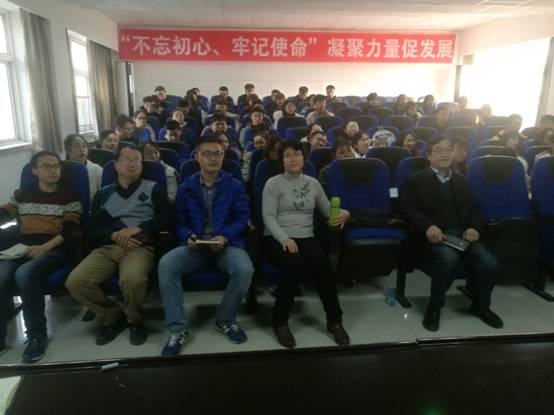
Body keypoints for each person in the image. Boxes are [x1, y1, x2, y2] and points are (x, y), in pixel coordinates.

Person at [65, 145, 173, 346]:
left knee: (133, 280)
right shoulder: (104, 193)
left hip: (138, 247)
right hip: (108, 247)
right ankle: (113, 315)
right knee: (76, 282)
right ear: (116, 165)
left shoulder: (152, 189)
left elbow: (168, 217)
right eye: (126, 159)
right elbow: (93, 225)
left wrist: (139, 228)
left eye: (136, 160)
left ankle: (134, 320)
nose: (132, 164)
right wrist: (113, 235)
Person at [157, 136, 253, 355]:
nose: (213, 158)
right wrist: (188, 236)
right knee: (166, 264)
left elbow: (241, 218)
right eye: (207, 154)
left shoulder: (234, 185)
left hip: (226, 245)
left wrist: (225, 236)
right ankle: (178, 329)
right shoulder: (186, 188)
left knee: (245, 269)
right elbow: (179, 222)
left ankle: (225, 319)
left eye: (218, 153)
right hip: (196, 247)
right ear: (197, 157)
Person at [400, 135, 503, 332]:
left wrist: (473, 227)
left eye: (448, 149)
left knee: (490, 263)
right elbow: (406, 209)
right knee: (449, 260)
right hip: (433, 236)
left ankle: (481, 306)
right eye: (438, 150)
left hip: (462, 234)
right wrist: (428, 226)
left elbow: (475, 207)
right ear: (429, 156)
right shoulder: (416, 180)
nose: (445, 154)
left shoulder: (460, 180)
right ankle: (434, 308)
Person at [262, 139, 351, 348]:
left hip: (305, 236)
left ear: (303, 158)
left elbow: (328, 210)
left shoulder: (313, 183)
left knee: (323, 265)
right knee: (293, 264)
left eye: (297, 154)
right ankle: (280, 321)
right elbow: (268, 216)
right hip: (276, 236)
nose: (293, 158)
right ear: (282, 161)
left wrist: (346, 213)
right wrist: (284, 238)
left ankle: (335, 321)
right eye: (287, 155)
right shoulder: (273, 183)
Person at [0, 151, 82, 362]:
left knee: (25, 274)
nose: (53, 170)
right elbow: (5, 212)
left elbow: (70, 229)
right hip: (22, 247)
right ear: (34, 170)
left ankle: (36, 336)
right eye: (47, 166)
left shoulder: (69, 197)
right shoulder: (22, 195)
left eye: (56, 166)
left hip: (54, 248)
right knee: (0, 275)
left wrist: (44, 247)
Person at [64, 133, 103, 201]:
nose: (82, 149)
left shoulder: (97, 170)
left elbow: (103, 196)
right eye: (76, 146)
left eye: (84, 146)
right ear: (67, 150)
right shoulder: (62, 170)